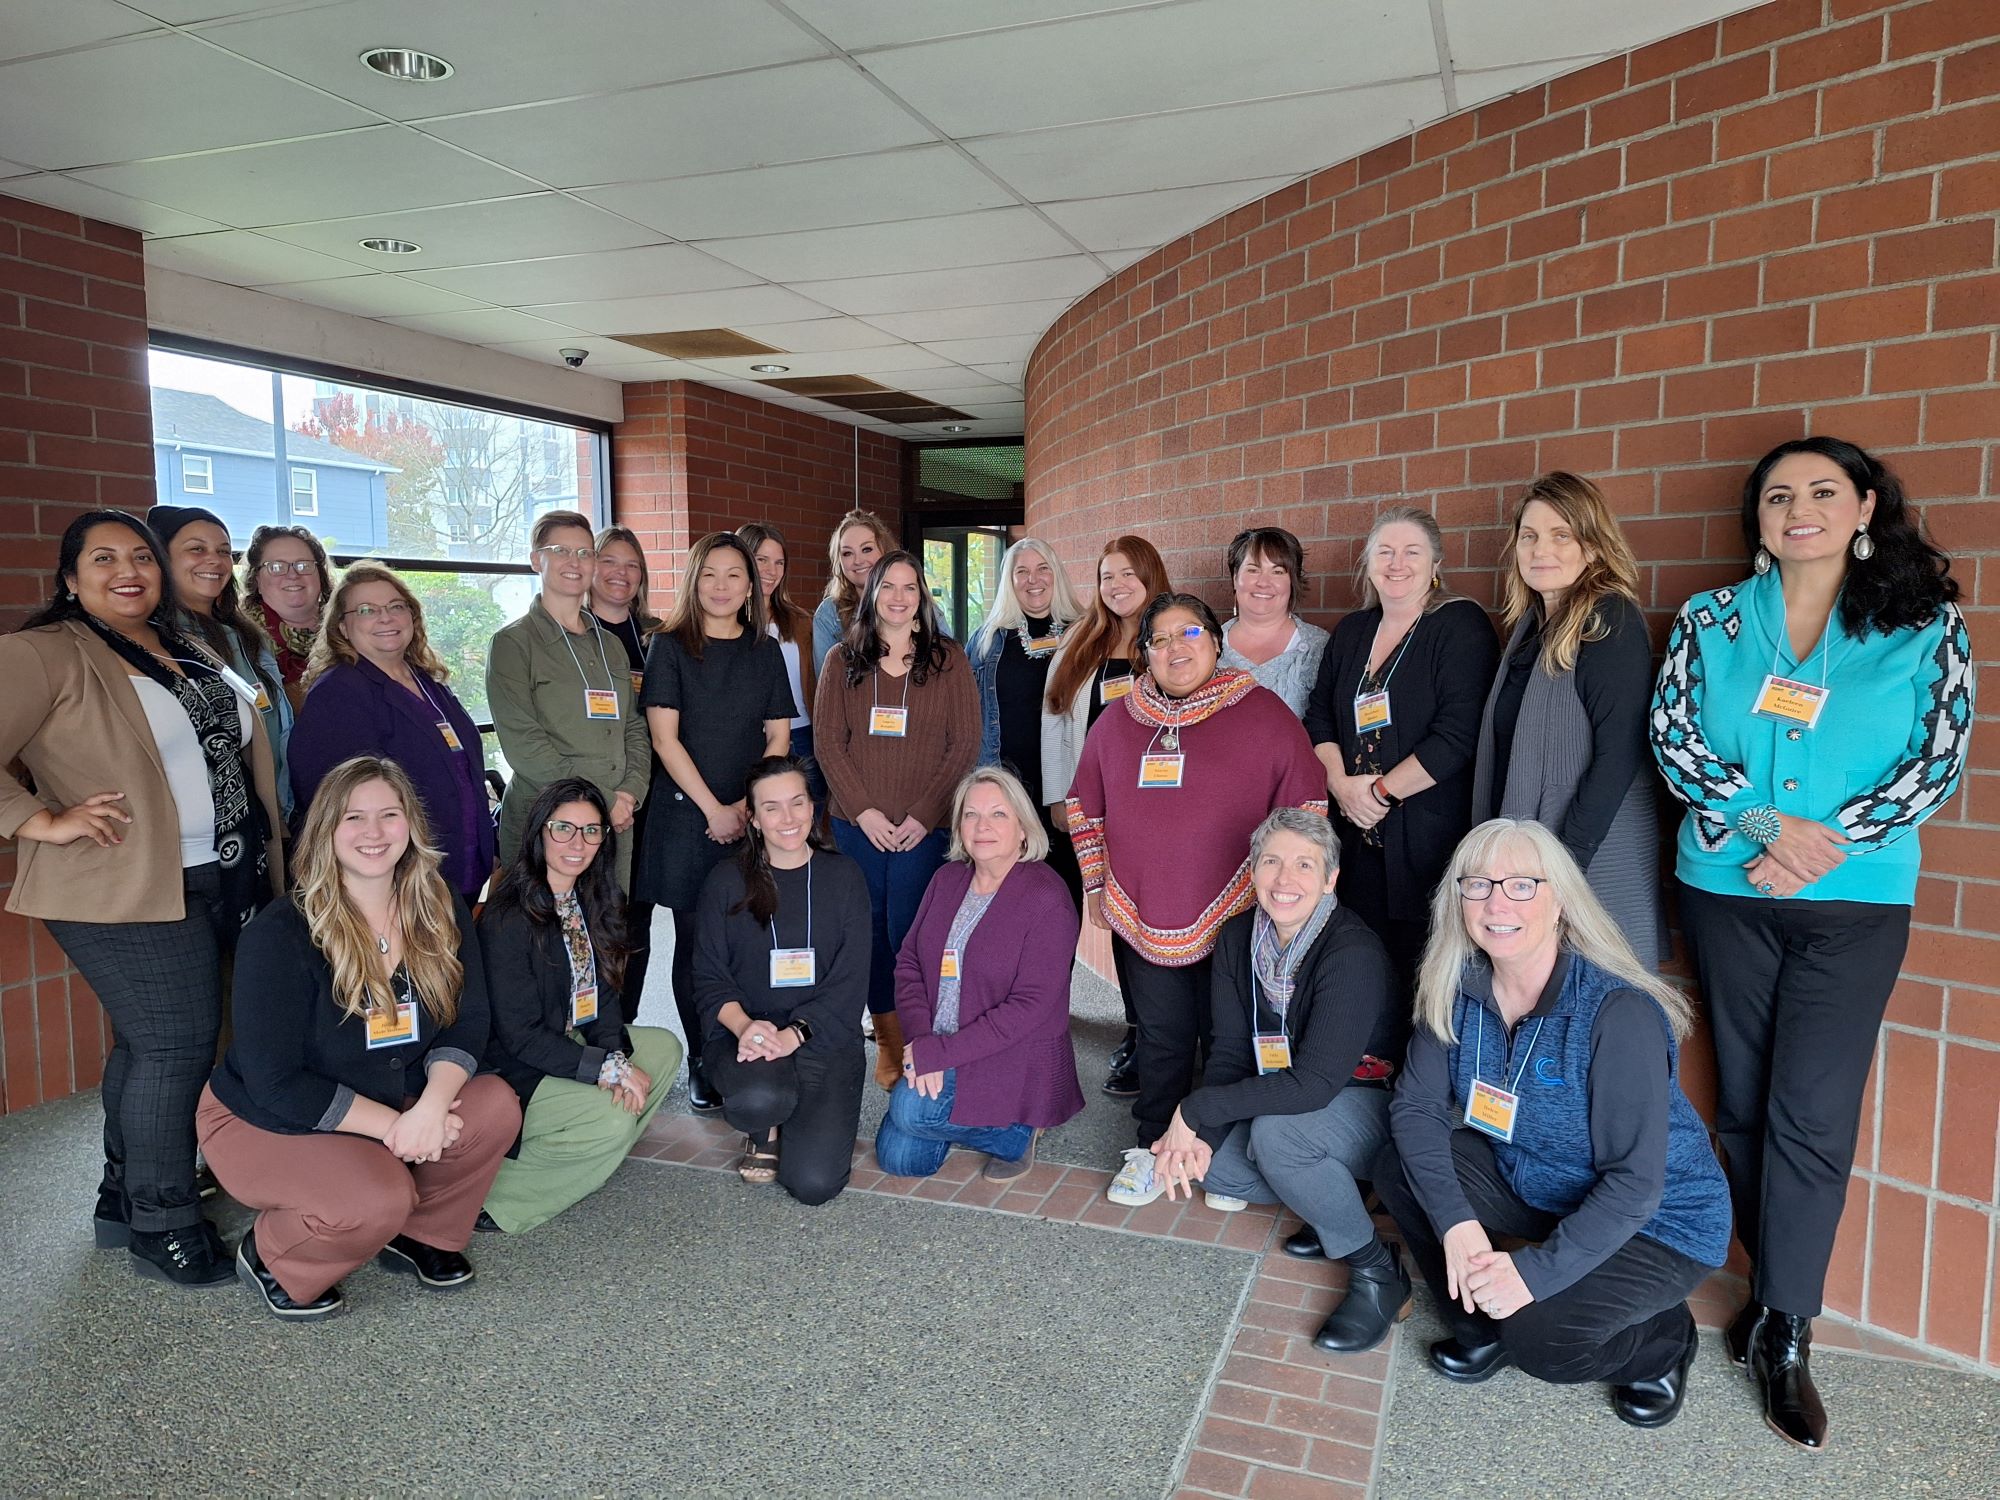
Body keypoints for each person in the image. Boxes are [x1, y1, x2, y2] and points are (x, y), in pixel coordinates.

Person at [1651, 436, 1973, 1450]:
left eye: (1820, 491)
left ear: (1862, 505)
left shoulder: (1921, 620)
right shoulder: (1709, 618)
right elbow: (1673, 735)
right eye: (1777, 494)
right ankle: (1768, 1287)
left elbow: (1938, 752)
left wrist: (1815, 848)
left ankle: (1785, 1325)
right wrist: (1762, 829)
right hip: (1725, 888)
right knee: (1740, 1103)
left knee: (1810, 1111)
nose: (1798, 508)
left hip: (1854, 899)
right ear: (1755, 516)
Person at [0, 510, 284, 1286]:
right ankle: (164, 1223)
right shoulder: (45, 653)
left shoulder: (185, 647)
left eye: (140, 557)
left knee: (148, 1043)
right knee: (175, 1044)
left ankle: (121, 1197)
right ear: (69, 577)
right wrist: (40, 820)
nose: (127, 570)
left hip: (221, 872)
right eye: (103, 558)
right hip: (120, 883)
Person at [1374, 819, 1731, 1428]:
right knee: (1398, 1167)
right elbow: (1415, 1108)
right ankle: (1479, 1324)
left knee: (1541, 1341)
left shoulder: (1617, 1013)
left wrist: (1533, 1274)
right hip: (1539, 1181)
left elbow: (1634, 1187)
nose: (1496, 903)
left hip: (1660, 1220)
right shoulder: (1455, 987)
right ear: (1456, 900)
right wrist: (1458, 1226)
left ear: (1560, 899)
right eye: (1478, 885)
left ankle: (1664, 1342)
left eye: (1521, 885)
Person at [198, 757, 519, 1320]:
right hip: (268, 1117)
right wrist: (400, 1127)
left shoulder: (438, 904)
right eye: (354, 817)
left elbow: (470, 1020)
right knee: (378, 1198)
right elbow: (276, 1082)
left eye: (389, 815)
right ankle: (274, 1254)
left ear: (411, 825)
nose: (374, 833)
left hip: (392, 1093)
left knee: (494, 1108)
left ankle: (423, 1235)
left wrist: (433, 1107)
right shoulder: (281, 932)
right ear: (326, 830)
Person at [1065, 591, 1325, 1207]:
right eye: (1160, 638)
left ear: (1215, 640)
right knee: (1161, 1036)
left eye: (1189, 633)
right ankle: (1153, 1145)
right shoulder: (1119, 719)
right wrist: (1097, 886)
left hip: (1238, 910)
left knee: (1230, 1036)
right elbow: (1083, 807)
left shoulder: (1263, 713)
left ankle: (1219, 1153)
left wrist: (1284, 895)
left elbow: (1307, 807)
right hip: (1140, 908)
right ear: (1146, 654)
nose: (1175, 647)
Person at [1151, 808, 1404, 1350]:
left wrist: (1194, 1112)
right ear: (1253, 870)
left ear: (1330, 879)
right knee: (1208, 1166)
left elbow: (1314, 1086)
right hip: (1289, 1098)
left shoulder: (1349, 952)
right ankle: (1332, 1202)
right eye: (1271, 862)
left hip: (1364, 1102)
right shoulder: (1239, 938)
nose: (1285, 880)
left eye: (1304, 865)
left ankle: (1379, 1271)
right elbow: (1228, 1056)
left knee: (1278, 1138)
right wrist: (1199, 1139)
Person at [1471, 473, 1665, 968]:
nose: (1542, 549)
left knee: (1586, 990)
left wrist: (1565, 867)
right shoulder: (1532, 629)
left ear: (1595, 546)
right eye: (1530, 535)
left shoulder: (1608, 619)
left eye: (1563, 535)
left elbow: (1619, 754)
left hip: (1586, 853)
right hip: (1529, 851)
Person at [1305, 507, 1498, 1000]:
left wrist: (1381, 793)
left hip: (1427, 834)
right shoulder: (1352, 631)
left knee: (1426, 967)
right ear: (1368, 564)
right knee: (1364, 960)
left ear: (1436, 563)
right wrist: (1342, 787)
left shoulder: (1459, 624)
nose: (1397, 563)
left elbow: (1458, 733)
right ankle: (1372, 1061)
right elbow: (1319, 717)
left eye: (1412, 551)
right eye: (1384, 552)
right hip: (1355, 829)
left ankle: (1417, 1072)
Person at [478, 778, 682, 1233]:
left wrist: (613, 1055)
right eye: (563, 828)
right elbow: (519, 1034)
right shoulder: (509, 915)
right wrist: (605, 1070)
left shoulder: (592, 897)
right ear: (538, 833)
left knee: (665, 1049)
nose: (578, 842)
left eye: (592, 831)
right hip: (516, 1063)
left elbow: (604, 995)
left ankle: (590, 1155)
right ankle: (500, 1197)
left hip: (569, 1035)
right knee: (610, 1119)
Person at [638, 532, 795, 1111]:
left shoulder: (765, 650)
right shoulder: (670, 647)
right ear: (693, 580)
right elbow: (664, 738)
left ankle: (751, 1042)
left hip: (752, 818)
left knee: (749, 936)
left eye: (735, 574)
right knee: (694, 945)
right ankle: (705, 1056)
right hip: (687, 818)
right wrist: (714, 809)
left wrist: (750, 809)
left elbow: (777, 736)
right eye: (710, 574)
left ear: (751, 584)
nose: (722, 586)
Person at [813, 551, 980, 1090]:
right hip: (854, 826)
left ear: (923, 597)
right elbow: (827, 744)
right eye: (889, 586)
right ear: (872, 593)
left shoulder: (948, 659)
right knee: (869, 933)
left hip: (922, 829)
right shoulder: (842, 660)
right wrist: (863, 812)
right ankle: (888, 1040)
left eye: (911, 587)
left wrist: (923, 814)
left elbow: (964, 745)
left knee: (912, 932)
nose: (900, 597)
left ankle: (920, 1037)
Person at [876, 767, 1085, 1182]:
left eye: (998, 815)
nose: (982, 826)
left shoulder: (1047, 898)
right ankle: (967, 1120)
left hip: (1010, 1056)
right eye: (971, 815)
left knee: (907, 1111)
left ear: (1024, 829)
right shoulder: (946, 879)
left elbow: (1029, 1007)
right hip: (940, 1042)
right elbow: (910, 963)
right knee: (901, 1160)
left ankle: (1016, 1132)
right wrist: (923, 1042)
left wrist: (940, 1055)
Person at [693, 756, 870, 1203]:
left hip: (822, 1037)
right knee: (757, 1100)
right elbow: (710, 977)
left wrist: (797, 1034)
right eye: (771, 807)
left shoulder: (844, 876)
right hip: (748, 1038)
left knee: (814, 1185)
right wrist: (745, 1027)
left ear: (813, 808)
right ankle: (766, 1123)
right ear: (752, 818)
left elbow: (851, 982)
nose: (787, 818)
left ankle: (794, 1106)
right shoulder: (725, 881)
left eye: (797, 803)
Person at [1042, 534, 1172, 1095]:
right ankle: (1123, 1027)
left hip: (1152, 814)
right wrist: (1058, 797)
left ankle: (1151, 1034)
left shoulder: (1169, 639)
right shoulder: (1081, 641)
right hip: (1088, 813)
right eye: (1106, 576)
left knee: (1150, 922)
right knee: (1101, 918)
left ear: (1150, 578)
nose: (1116, 587)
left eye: (1128, 575)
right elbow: (1054, 722)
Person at [289, 562, 495, 903]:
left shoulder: (427, 681)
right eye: (367, 610)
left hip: (457, 868)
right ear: (343, 626)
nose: (386, 617)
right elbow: (331, 803)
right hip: (396, 880)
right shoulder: (339, 692)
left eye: (396, 607)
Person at [488, 510, 650, 893]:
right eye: (561, 550)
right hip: (547, 819)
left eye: (584, 553)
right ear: (535, 559)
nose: (574, 562)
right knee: (541, 936)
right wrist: (604, 800)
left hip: (614, 821)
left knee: (606, 932)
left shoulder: (610, 645)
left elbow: (634, 727)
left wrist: (630, 793)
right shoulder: (513, 644)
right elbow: (525, 745)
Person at [151, 503, 295, 821]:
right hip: (206, 826)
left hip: (272, 810)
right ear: (161, 557)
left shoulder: (246, 636)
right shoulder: (156, 642)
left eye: (223, 550)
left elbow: (273, 720)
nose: (214, 560)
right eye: (196, 549)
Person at [966, 538, 1085, 909]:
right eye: (1022, 572)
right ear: (1009, 581)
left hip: (1065, 788)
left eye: (1042, 568)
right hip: (1006, 790)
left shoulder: (1084, 633)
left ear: (1056, 574)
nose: (1033, 580)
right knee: (1007, 898)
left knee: (1063, 893)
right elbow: (969, 718)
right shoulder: (987, 641)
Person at [590, 523, 662, 1011]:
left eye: (632, 564)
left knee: (638, 913)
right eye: (610, 561)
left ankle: (627, 1019)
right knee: (592, 911)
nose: (622, 573)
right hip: (591, 791)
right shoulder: (570, 634)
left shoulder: (657, 636)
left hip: (649, 791)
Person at [738, 521, 828, 811]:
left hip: (802, 737)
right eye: (761, 559)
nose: (771, 570)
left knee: (806, 825)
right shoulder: (725, 624)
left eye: (779, 562)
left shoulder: (800, 621)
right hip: (749, 740)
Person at [1217, 526, 1330, 717]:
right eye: (1253, 570)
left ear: (1292, 582)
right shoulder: (1208, 646)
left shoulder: (1319, 647)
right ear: (1235, 578)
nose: (1263, 582)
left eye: (1278, 572)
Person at [242, 522, 333, 711]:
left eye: (303, 565)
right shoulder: (239, 641)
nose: (293, 575)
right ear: (256, 579)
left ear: (320, 576)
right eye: (276, 567)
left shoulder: (350, 630)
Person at [811, 508, 897, 671]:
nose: (858, 560)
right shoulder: (829, 613)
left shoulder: (913, 602)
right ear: (839, 562)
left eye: (867, 549)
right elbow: (826, 686)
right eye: (847, 553)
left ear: (885, 552)